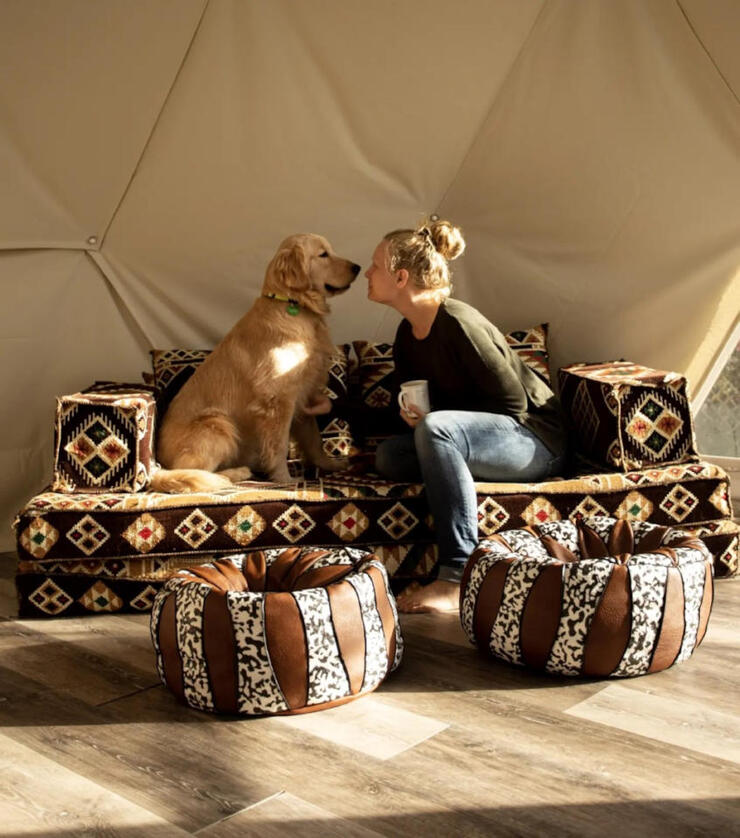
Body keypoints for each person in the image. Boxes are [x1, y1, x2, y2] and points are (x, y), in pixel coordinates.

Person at [365, 219, 566, 613]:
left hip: (535, 439)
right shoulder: (407, 336)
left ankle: (456, 575)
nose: (367, 273)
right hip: (479, 439)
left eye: (375, 265)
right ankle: (450, 466)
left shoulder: (459, 323)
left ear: (401, 277)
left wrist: (436, 423)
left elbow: (514, 406)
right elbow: (405, 407)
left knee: (437, 431)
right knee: (389, 456)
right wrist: (331, 408)